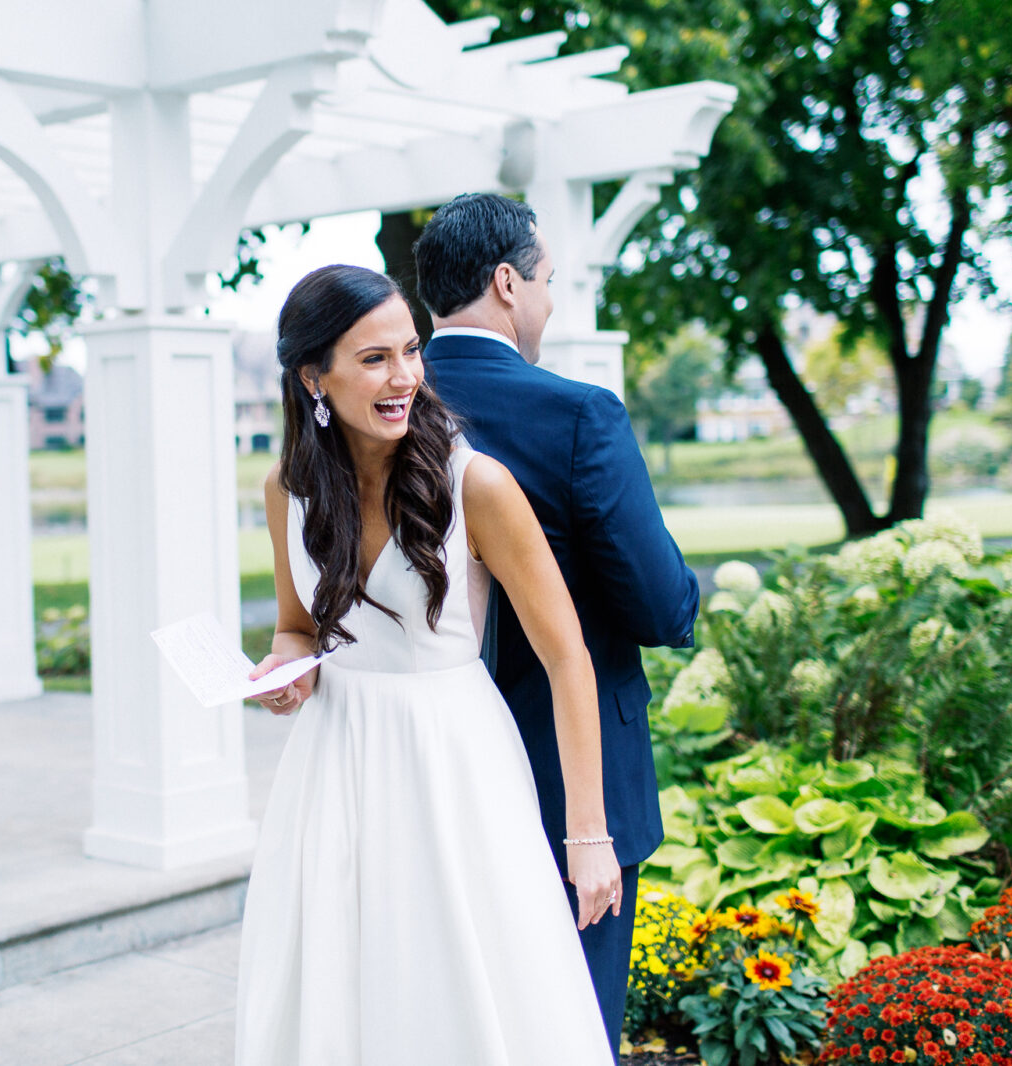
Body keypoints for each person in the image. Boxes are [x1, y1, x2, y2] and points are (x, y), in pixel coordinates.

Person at [234, 263, 619, 1065]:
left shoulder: (475, 483)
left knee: (463, 982)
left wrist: (588, 837)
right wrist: (287, 671)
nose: (405, 375)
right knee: (342, 982)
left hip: (452, 763)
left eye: (411, 350)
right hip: (333, 763)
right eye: (375, 358)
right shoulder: (287, 489)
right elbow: (296, 627)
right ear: (314, 377)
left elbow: (566, 655)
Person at [414, 193, 701, 1051]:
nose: (549, 302)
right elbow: (660, 606)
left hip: (427, 766)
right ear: (507, 283)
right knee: (572, 1025)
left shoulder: (383, 411)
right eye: (546, 282)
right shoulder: (581, 415)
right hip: (569, 785)